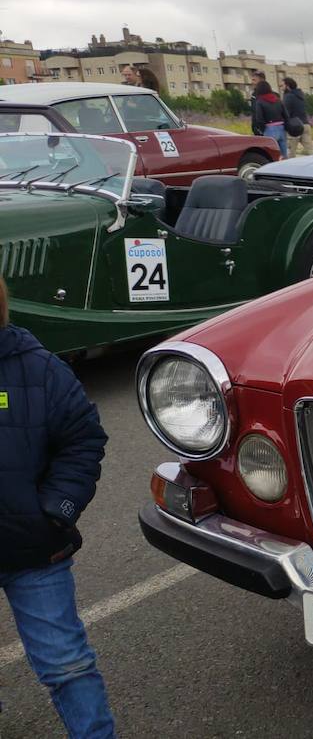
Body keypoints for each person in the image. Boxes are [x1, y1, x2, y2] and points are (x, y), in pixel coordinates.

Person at [0, 275, 115, 738]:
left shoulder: (37, 368)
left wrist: (56, 511)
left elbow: (83, 440)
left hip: (34, 553)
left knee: (68, 667)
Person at [251, 79, 289, 159]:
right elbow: (286, 115)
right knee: (284, 155)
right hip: (281, 128)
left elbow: (259, 119)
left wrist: (262, 130)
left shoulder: (260, 102)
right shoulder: (278, 100)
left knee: (271, 156)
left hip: (269, 129)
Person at [281, 77, 313, 156]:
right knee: (311, 151)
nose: (281, 88)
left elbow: (285, 113)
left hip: (294, 127)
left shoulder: (288, 96)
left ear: (287, 86)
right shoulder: (301, 96)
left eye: (282, 86)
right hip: (305, 125)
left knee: (290, 154)